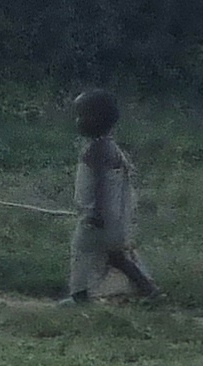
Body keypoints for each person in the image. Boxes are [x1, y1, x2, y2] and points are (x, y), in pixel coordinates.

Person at [66, 88, 157, 303]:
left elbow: (100, 184)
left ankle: (79, 296)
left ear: (97, 120)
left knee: (82, 251)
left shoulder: (96, 150)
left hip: (98, 217)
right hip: (114, 217)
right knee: (116, 257)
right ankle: (147, 289)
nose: (78, 121)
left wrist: (96, 212)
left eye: (82, 116)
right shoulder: (111, 148)